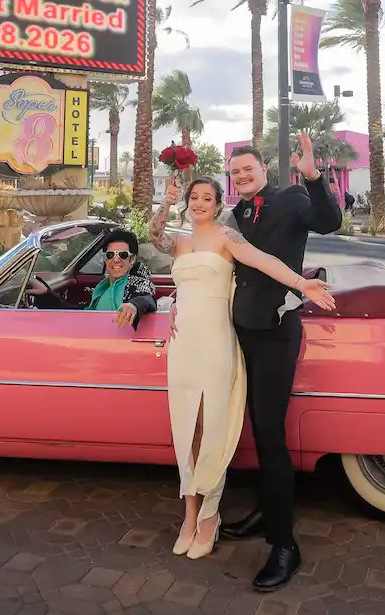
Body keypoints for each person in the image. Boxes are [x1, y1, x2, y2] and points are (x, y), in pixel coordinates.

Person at [149, 176, 334, 565]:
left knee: (210, 425)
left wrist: (304, 284)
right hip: (182, 346)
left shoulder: (227, 238)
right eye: (193, 197)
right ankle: (189, 514)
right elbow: (154, 236)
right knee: (187, 428)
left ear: (218, 205)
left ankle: (210, 514)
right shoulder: (180, 240)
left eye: (207, 198)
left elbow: (264, 262)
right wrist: (162, 203)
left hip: (217, 342)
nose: (199, 203)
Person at [219, 135, 342, 590]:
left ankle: (284, 545)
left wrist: (312, 175)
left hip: (275, 332)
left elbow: (329, 222)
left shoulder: (291, 198)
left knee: (270, 434)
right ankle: (268, 509)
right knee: (252, 425)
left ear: (264, 169)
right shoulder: (237, 214)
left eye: (247, 169)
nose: (242, 176)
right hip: (240, 330)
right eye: (235, 173)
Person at [22, 228, 155, 328]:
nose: (116, 260)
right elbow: (81, 314)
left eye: (123, 255)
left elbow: (147, 299)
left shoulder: (138, 283)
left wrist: (134, 305)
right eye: (110, 255)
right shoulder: (103, 288)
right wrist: (46, 294)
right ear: (105, 258)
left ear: (132, 259)